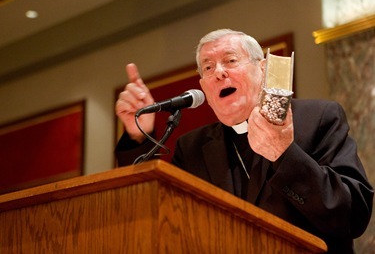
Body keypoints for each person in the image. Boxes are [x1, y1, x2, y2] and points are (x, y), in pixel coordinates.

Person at [115, 29, 373, 253]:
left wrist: (284, 154)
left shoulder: (317, 119)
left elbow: (353, 216)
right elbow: (156, 213)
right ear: (203, 86)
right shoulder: (191, 147)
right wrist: (138, 136)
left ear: (262, 69)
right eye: (208, 67)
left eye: (230, 60)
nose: (218, 73)